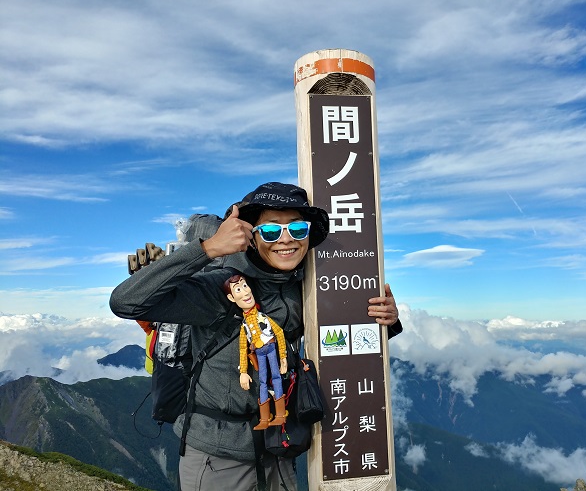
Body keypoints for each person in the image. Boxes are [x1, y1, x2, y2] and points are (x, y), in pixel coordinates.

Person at [109, 182, 401, 491]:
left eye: (298, 229)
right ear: (251, 236)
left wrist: (387, 321)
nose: (286, 240)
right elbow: (125, 302)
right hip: (217, 457)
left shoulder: (305, 286)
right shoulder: (222, 288)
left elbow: (336, 341)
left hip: (279, 448)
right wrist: (208, 249)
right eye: (272, 232)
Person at [225, 273, 288, 430]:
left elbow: (279, 332)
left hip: (271, 348)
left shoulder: (263, 317)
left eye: (245, 286)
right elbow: (242, 349)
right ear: (232, 298)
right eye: (238, 289)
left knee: (276, 376)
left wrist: (283, 357)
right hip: (259, 353)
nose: (245, 292)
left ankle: (280, 415)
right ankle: (265, 417)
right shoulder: (244, 326)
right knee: (262, 382)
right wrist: (243, 372)